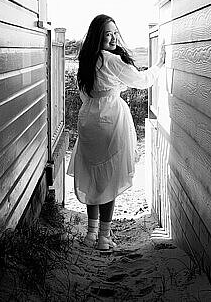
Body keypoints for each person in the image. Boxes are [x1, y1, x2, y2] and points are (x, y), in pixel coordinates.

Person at [67, 14, 166, 250]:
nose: (112, 38)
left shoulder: (87, 58)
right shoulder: (110, 60)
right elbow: (141, 80)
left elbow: (85, 92)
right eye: (107, 34)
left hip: (88, 116)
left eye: (114, 33)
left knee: (93, 175)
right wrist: (159, 65)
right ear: (98, 36)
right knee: (109, 177)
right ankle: (103, 236)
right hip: (110, 118)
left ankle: (91, 234)